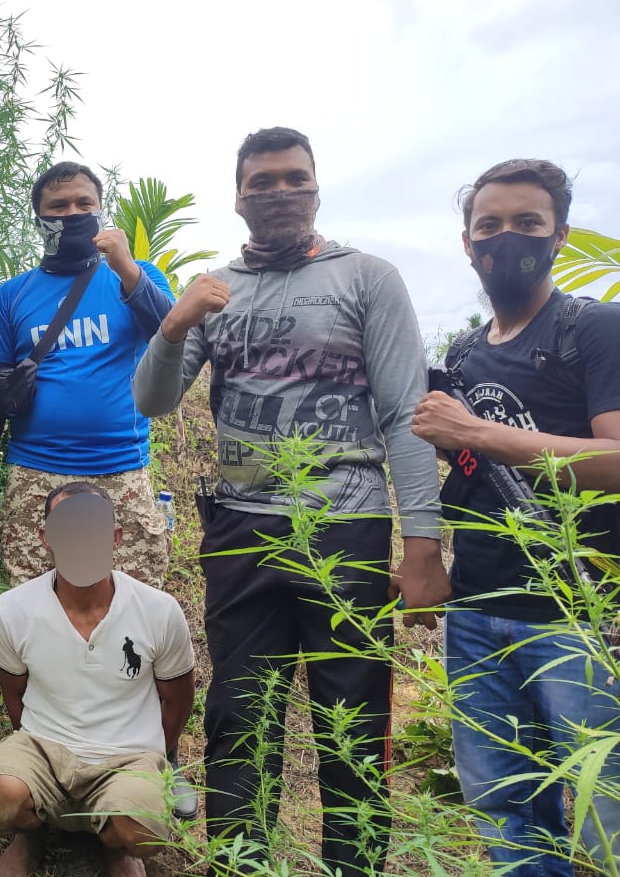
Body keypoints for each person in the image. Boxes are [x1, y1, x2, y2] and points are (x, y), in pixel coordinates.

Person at [133, 127, 450, 876]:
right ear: (238, 196)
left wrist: (423, 543)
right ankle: (242, 865)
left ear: (316, 188)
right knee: (239, 715)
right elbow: (152, 400)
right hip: (241, 528)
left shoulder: (367, 277)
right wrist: (176, 323)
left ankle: (356, 866)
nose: (279, 192)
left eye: (294, 178)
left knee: (352, 715)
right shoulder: (216, 287)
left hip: (347, 521)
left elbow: (408, 411)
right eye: (262, 181)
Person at [412, 158, 620, 875]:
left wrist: (477, 433)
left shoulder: (593, 328)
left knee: (605, 810)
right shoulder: (466, 352)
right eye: (489, 226)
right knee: (505, 806)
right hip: (478, 610)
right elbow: (474, 479)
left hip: (580, 612)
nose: (507, 239)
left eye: (527, 224)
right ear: (468, 244)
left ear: (559, 234)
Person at [0, 481, 195, 877]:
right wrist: (37, 749)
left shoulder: (158, 611)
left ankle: (116, 843)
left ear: (116, 537)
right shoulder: (13, 610)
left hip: (126, 756)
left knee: (143, 829)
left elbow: (178, 699)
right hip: (44, 748)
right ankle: (32, 835)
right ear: (46, 539)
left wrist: (153, 752)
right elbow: (14, 694)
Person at [0, 161, 176, 589]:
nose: (72, 213)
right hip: (34, 473)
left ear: (102, 210)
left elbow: (173, 339)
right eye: (58, 205)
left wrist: (126, 267)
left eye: (84, 203)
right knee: (32, 601)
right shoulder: (12, 296)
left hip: (121, 469)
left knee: (132, 600)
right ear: (40, 220)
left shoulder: (138, 276)